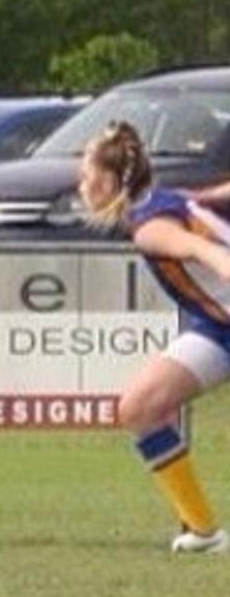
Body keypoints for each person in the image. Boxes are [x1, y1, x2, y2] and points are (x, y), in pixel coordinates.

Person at [78, 121, 230, 554]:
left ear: (108, 182)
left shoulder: (150, 227)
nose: (81, 184)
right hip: (218, 327)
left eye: (86, 176)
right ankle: (203, 532)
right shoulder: (172, 200)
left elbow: (206, 251)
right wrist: (218, 194)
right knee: (140, 408)